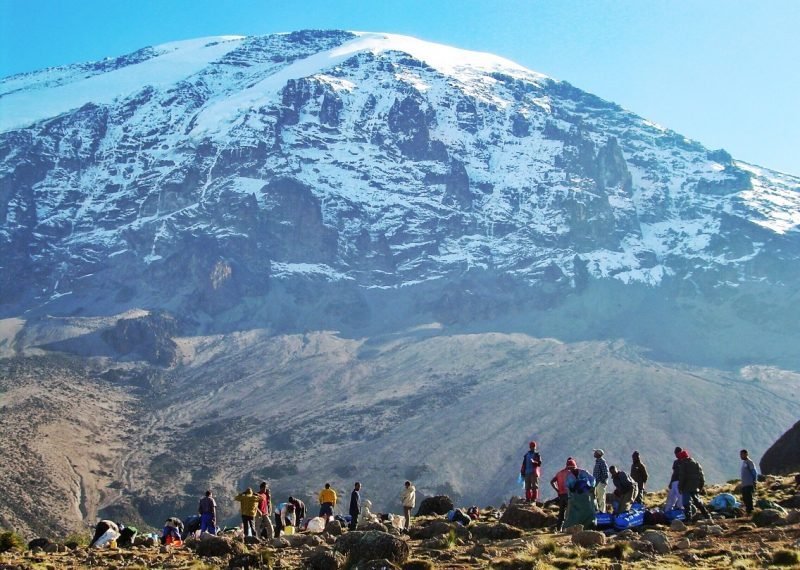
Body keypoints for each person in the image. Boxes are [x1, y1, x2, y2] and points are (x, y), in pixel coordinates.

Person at [676, 449, 712, 522]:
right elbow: (702, 476)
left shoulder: (683, 464)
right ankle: (707, 515)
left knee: (686, 503)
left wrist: (680, 487)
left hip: (686, 487)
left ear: (682, 457)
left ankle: (688, 518)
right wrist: (701, 486)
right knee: (698, 502)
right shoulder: (696, 463)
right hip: (695, 487)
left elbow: (682, 477)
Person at [563, 460, 596, 529]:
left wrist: (591, 487)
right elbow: (568, 487)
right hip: (576, 497)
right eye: (569, 469)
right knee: (574, 512)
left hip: (586, 496)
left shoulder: (584, 472)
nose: (571, 470)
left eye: (572, 468)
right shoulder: (569, 477)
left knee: (589, 510)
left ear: (575, 467)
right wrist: (570, 495)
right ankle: (574, 527)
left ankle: (590, 524)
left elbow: (592, 480)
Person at [550, 458, 575, 531]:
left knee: (561, 513)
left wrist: (557, 489)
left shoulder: (559, 473)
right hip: (568, 495)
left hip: (561, 495)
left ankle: (559, 528)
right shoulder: (570, 474)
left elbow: (552, 482)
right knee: (570, 511)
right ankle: (569, 528)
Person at [664, 446, 683, 511]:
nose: (676, 455)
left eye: (677, 453)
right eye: (675, 453)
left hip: (680, 482)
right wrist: (671, 482)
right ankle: (667, 510)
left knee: (680, 497)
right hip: (674, 481)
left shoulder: (684, 461)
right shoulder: (676, 462)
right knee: (671, 497)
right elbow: (674, 473)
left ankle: (681, 510)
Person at [739, 449, 758, 514]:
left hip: (749, 484)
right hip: (744, 484)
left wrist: (754, 481)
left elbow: (754, 472)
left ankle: (751, 511)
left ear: (746, 454)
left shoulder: (749, 462)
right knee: (745, 498)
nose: (741, 456)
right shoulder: (744, 462)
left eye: (742, 454)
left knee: (749, 498)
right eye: (740, 455)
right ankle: (748, 511)